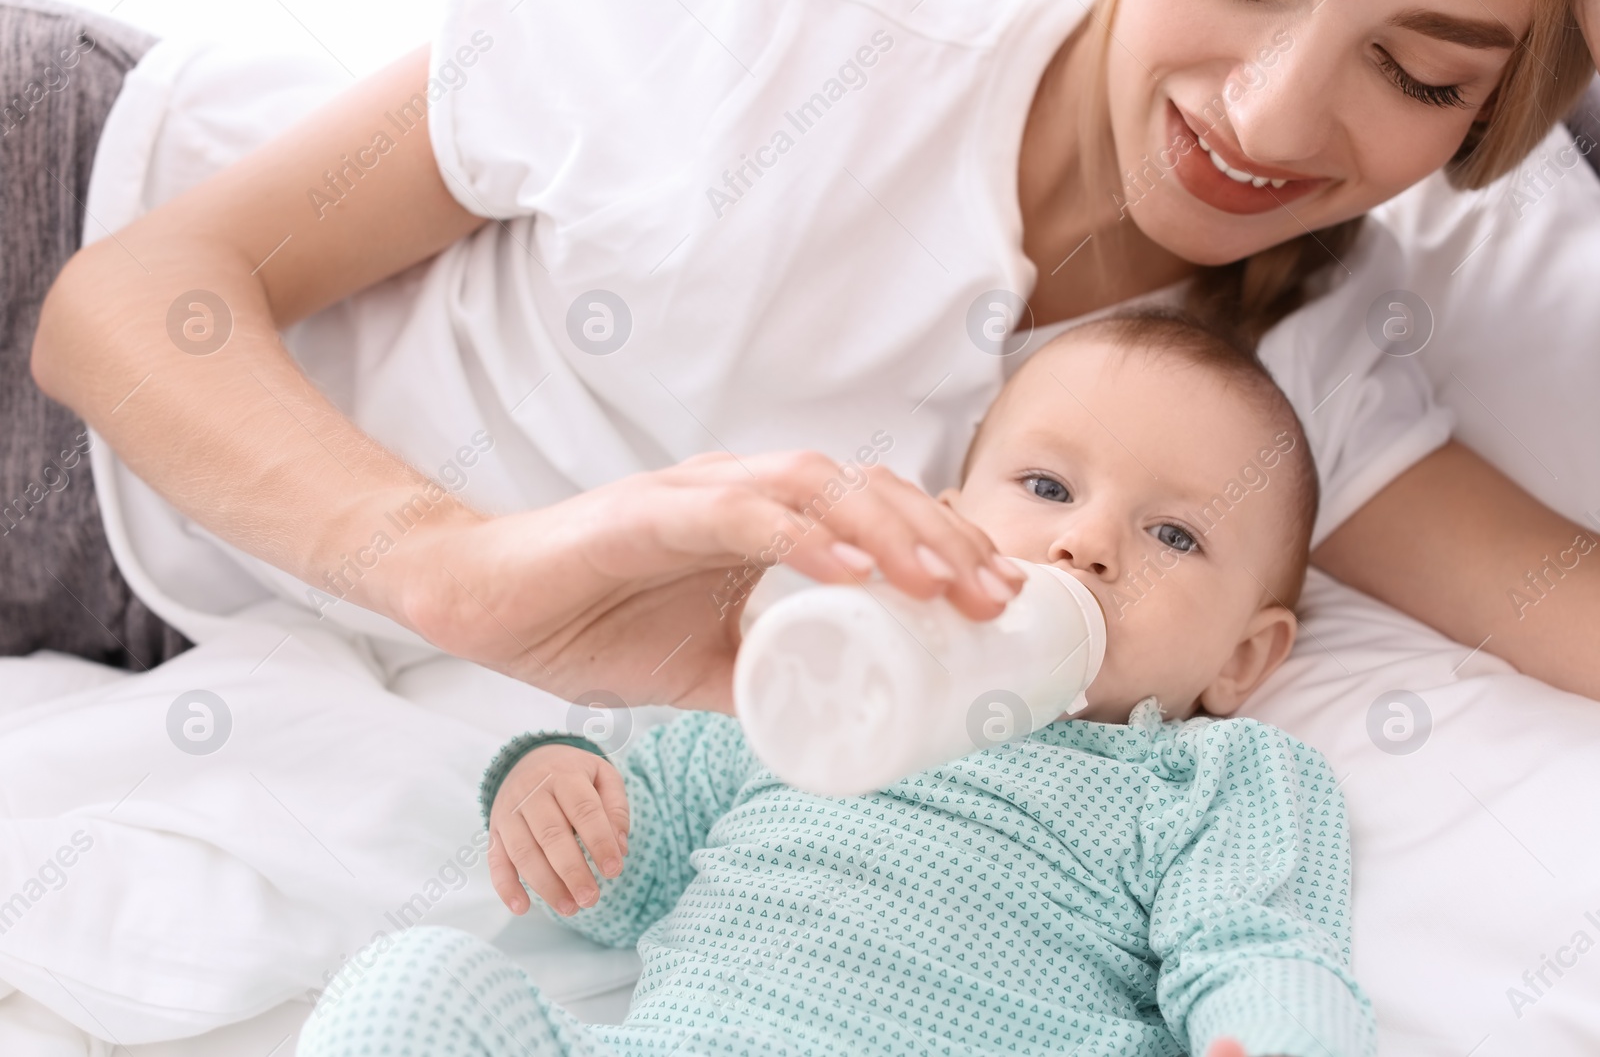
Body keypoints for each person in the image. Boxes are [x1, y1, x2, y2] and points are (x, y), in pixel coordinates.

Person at [5, 0, 1600, 1042]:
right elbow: (127, 304)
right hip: (66, 240)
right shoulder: (801, 25)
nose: (1265, 117)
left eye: (1417, 69)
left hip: (211, 624)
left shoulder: (1300, 376)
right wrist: (461, 570)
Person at [297, 312, 1372, 1057]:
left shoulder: (1205, 775)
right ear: (944, 520)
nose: (1084, 543)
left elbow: (1262, 944)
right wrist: (561, 786)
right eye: (1045, 485)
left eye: (1173, 533)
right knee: (418, 980)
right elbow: (627, 878)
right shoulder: (826, 669)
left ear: (1243, 657)